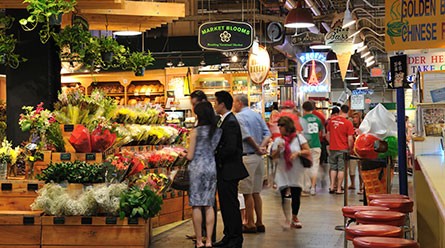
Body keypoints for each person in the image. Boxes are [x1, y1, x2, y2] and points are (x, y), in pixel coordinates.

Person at [213, 91, 249, 248]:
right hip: (225, 170)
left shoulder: (231, 122)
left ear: (222, 104)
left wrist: (216, 154)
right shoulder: (224, 120)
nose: (214, 105)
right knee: (227, 206)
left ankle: (235, 238)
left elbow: (231, 148)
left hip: (229, 170)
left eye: (216, 102)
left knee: (231, 205)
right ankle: (229, 236)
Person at [186, 101, 222, 248]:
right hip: (211, 167)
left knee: (196, 205)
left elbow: (190, 155)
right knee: (209, 204)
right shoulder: (217, 131)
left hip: (196, 169)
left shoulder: (196, 131)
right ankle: (209, 241)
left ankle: (199, 241)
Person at [233, 94, 271, 234]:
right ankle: (259, 222)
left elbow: (246, 136)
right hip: (259, 158)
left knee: (247, 193)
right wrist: (262, 147)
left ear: (238, 103)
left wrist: (256, 147)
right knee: (256, 192)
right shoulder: (256, 115)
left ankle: (249, 223)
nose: (233, 105)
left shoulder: (239, 117)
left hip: (248, 157)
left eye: (234, 102)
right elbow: (268, 133)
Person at [271, 116, 311, 228]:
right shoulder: (278, 140)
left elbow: (307, 151)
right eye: (278, 127)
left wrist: (297, 153)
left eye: (282, 126)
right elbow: (273, 156)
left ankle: (294, 216)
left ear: (287, 127)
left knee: (296, 193)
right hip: (282, 171)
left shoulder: (299, 138)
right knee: (283, 194)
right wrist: (278, 150)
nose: (280, 129)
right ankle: (287, 217)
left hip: (296, 171)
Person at [326, 105, 354, 195]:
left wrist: (331, 142)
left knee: (333, 167)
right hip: (343, 149)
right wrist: (350, 148)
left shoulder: (331, 121)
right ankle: (338, 189)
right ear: (348, 112)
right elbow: (350, 139)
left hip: (333, 148)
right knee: (341, 169)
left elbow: (327, 134)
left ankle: (331, 186)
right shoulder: (348, 123)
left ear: (340, 110)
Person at [301, 101, 323, 196]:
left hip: (306, 146)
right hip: (316, 145)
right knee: (315, 167)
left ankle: (306, 186)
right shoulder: (318, 119)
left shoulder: (302, 120)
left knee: (305, 167)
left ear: (303, 109)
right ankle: (313, 188)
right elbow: (320, 133)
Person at [349, 112, 363, 193]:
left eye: (356, 118)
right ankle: (352, 183)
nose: (354, 119)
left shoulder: (362, 127)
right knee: (352, 169)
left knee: (361, 169)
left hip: (360, 151)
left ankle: (361, 186)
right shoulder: (350, 127)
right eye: (353, 118)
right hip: (352, 151)